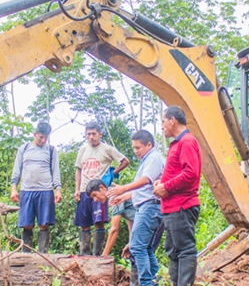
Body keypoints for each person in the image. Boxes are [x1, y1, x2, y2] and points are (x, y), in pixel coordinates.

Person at [108, 130, 165, 286]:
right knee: (145, 248)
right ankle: (153, 280)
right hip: (148, 206)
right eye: (134, 148)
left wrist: (124, 188)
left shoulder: (153, 158)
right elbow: (143, 189)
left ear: (149, 144)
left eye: (138, 148)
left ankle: (147, 282)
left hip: (150, 207)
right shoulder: (147, 159)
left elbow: (146, 180)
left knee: (137, 247)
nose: (135, 152)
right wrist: (124, 196)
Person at [153, 106, 201, 286]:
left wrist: (167, 186)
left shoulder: (186, 141)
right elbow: (178, 172)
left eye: (163, 121)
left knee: (185, 250)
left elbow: (191, 173)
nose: (163, 126)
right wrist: (161, 182)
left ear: (173, 120)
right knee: (173, 251)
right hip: (172, 207)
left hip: (182, 205)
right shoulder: (178, 143)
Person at [74, 122, 129, 256]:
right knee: (84, 223)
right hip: (84, 190)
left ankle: (97, 255)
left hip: (99, 191)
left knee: (99, 222)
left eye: (94, 134)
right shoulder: (83, 149)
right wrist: (77, 189)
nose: (91, 137)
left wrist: (111, 174)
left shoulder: (107, 149)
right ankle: (84, 254)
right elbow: (79, 169)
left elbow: (125, 161)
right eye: (88, 134)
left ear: (100, 134)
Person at [11, 122, 61, 253]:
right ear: (35, 135)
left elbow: (56, 170)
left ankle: (42, 254)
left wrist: (58, 189)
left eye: (46, 138)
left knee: (43, 224)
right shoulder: (24, 148)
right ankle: (26, 254)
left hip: (45, 191)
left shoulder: (51, 150)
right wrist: (13, 188)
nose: (43, 140)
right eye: (41, 137)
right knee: (27, 224)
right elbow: (17, 170)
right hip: (27, 191)